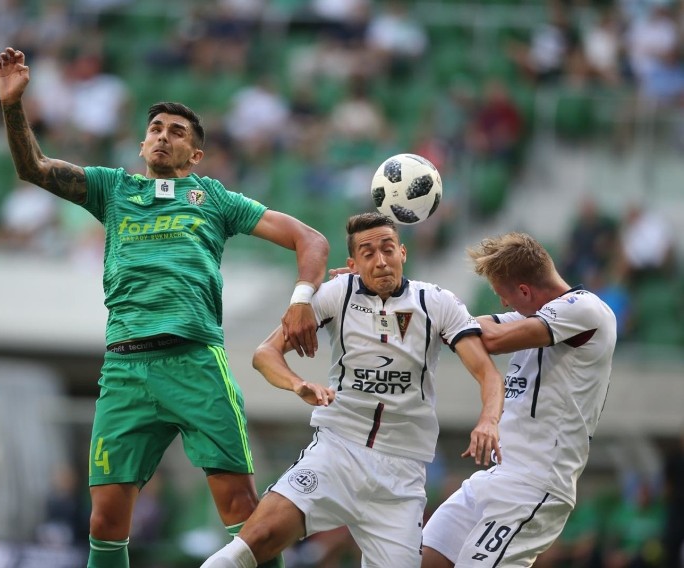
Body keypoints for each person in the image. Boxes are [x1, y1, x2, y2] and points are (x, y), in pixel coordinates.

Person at [0, 47, 330, 568]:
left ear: (195, 156)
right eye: (155, 127)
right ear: (142, 140)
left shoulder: (213, 198)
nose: (163, 135)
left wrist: (302, 300)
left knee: (241, 508)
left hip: (195, 362)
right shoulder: (112, 188)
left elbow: (309, 238)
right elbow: (33, 167)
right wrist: (14, 106)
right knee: (104, 522)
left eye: (177, 131)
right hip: (125, 368)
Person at [203, 212, 504, 567]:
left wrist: (488, 420)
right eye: (368, 252)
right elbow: (264, 354)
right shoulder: (336, 295)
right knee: (250, 545)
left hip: (401, 478)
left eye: (388, 249)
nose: (380, 261)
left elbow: (488, 374)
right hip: (337, 452)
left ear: (402, 253)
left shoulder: (437, 302)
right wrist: (297, 383)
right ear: (352, 263)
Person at [422, 232, 617, 568]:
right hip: (499, 476)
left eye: (504, 296)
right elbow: (473, 326)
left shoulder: (586, 310)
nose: (504, 305)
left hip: (536, 485)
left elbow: (491, 338)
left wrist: (453, 320)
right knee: (418, 559)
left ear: (525, 291)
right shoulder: (536, 314)